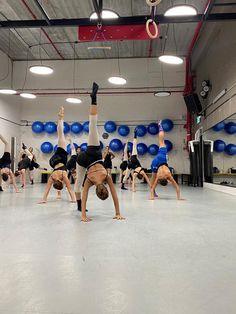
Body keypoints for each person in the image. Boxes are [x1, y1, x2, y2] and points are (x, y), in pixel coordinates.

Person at [75, 82, 125, 222]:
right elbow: (85, 197)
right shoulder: (89, 182)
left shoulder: (106, 177)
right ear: (96, 192)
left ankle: (94, 98)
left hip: (95, 154)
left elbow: (114, 196)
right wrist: (83, 216)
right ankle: (78, 208)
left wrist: (118, 213)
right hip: (84, 160)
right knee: (78, 182)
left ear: (104, 189)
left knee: (92, 125)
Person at [39, 107, 76, 203]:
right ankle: (60, 118)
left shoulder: (63, 175)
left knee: (61, 134)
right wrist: (44, 199)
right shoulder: (52, 177)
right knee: (60, 135)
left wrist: (74, 199)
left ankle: (61, 118)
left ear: (60, 182)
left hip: (61, 158)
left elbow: (69, 188)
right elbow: (47, 189)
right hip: (53, 162)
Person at [150, 121, 183, 200]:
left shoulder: (168, 175)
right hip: (155, 163)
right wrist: (151, 197)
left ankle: (160, 126)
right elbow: (153, 185)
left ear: (167, 181)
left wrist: (179, 198)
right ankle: (153, 193)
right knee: (153, 177)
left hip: (162, 159)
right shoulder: (159, 177)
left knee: (161, 141)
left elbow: (177, 188)